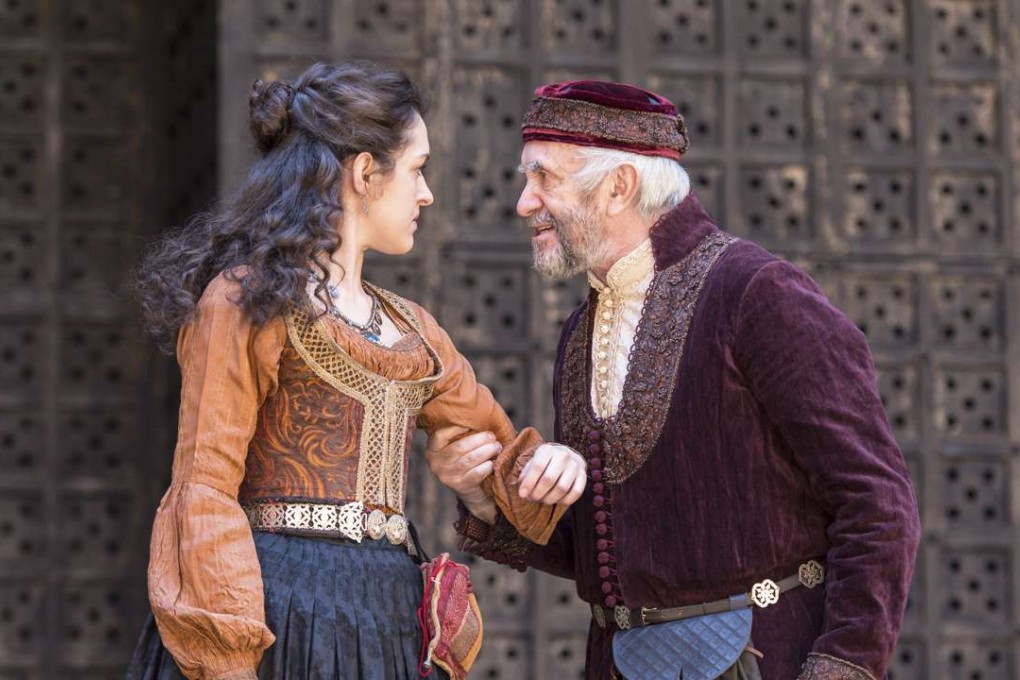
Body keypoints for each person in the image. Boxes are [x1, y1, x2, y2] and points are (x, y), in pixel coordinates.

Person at [425, 80, 921, 680]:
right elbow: (609, 557)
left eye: (544, 177)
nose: (524, 202)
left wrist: (843, 667)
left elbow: (877, 503)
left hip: (765, 657)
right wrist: (483, 492)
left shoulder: (758, 296)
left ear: (618, 187)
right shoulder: (583, 330)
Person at [124, 62, 587, 680]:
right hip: (275, 611)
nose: (426, 194)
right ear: (365, 173)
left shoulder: (415, 331)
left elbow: (497, 459)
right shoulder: (244, 302)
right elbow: (204, 490)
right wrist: (230, 657)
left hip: (384, 617)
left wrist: (551, 467)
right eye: (417, 169)